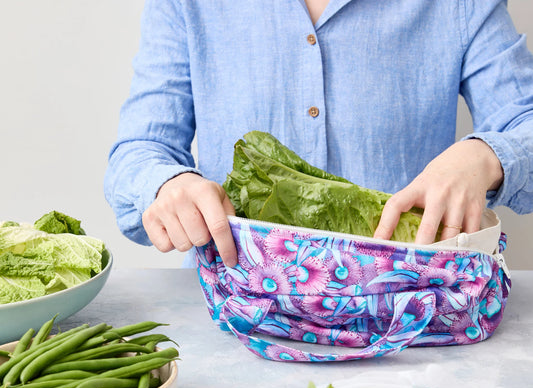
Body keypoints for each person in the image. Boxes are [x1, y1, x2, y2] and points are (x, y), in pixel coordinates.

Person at [104, 0, 533, 268]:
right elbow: (140, 151)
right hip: (235, 313)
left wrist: (485, 157)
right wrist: (167, 184)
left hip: (410, 318)